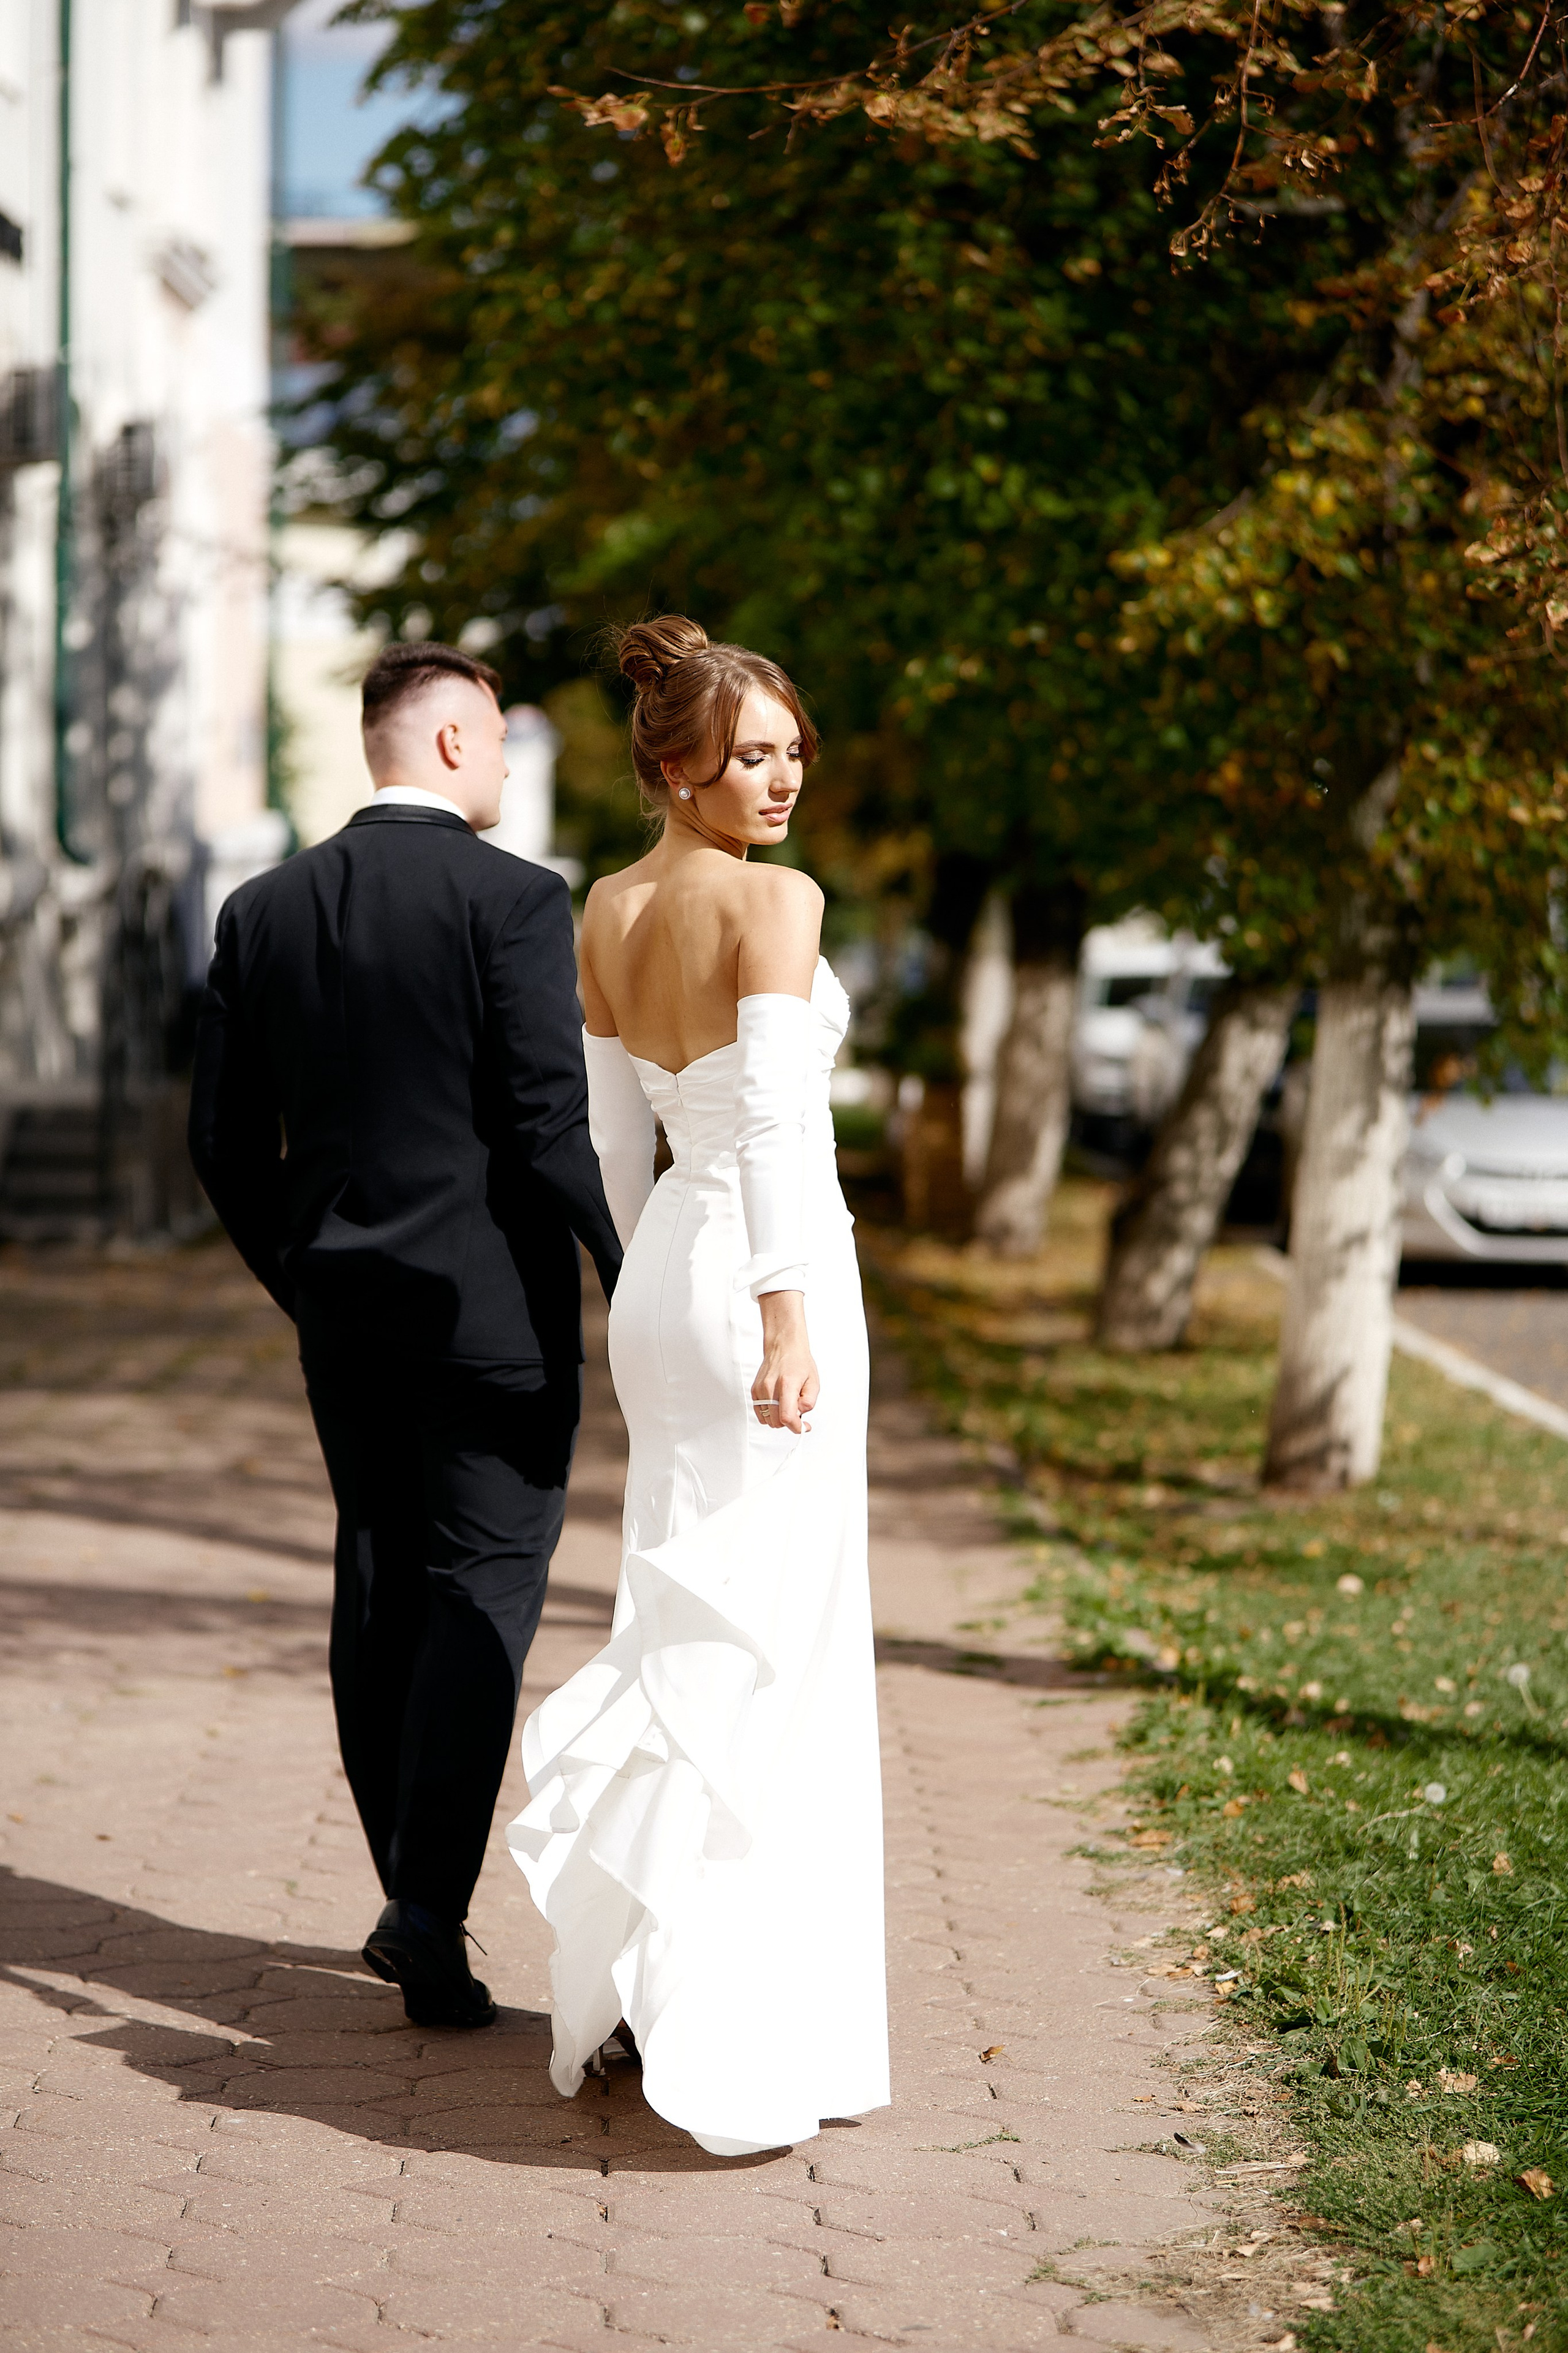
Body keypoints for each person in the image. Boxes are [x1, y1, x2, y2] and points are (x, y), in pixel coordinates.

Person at [189, 641, 622, 2031]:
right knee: (482, 1590)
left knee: (378, 1587)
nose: (501, 761)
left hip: (343, 1315)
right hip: (494, 1322)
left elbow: (221, 1144)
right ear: (447, 742)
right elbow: (547, 1124)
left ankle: (411, 1894)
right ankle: (424, 1907)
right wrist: (633, 1269)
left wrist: (301, 1276)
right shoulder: (514, 899)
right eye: (494, 737)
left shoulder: (264, 909)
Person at [508, 616, 889, 2156]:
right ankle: (746, 2021)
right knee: (772, 1641)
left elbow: (610, 1140)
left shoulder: (601, 909)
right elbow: (781, 1123)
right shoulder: (776, 901)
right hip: (765, 1279)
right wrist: (784, 1319)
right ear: (676, 769)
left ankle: (645, 1987)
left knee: (680, 1616)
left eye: (792, 752)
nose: (781, 780)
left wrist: (636, 1290)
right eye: (749, 757)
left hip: (666, 1269)